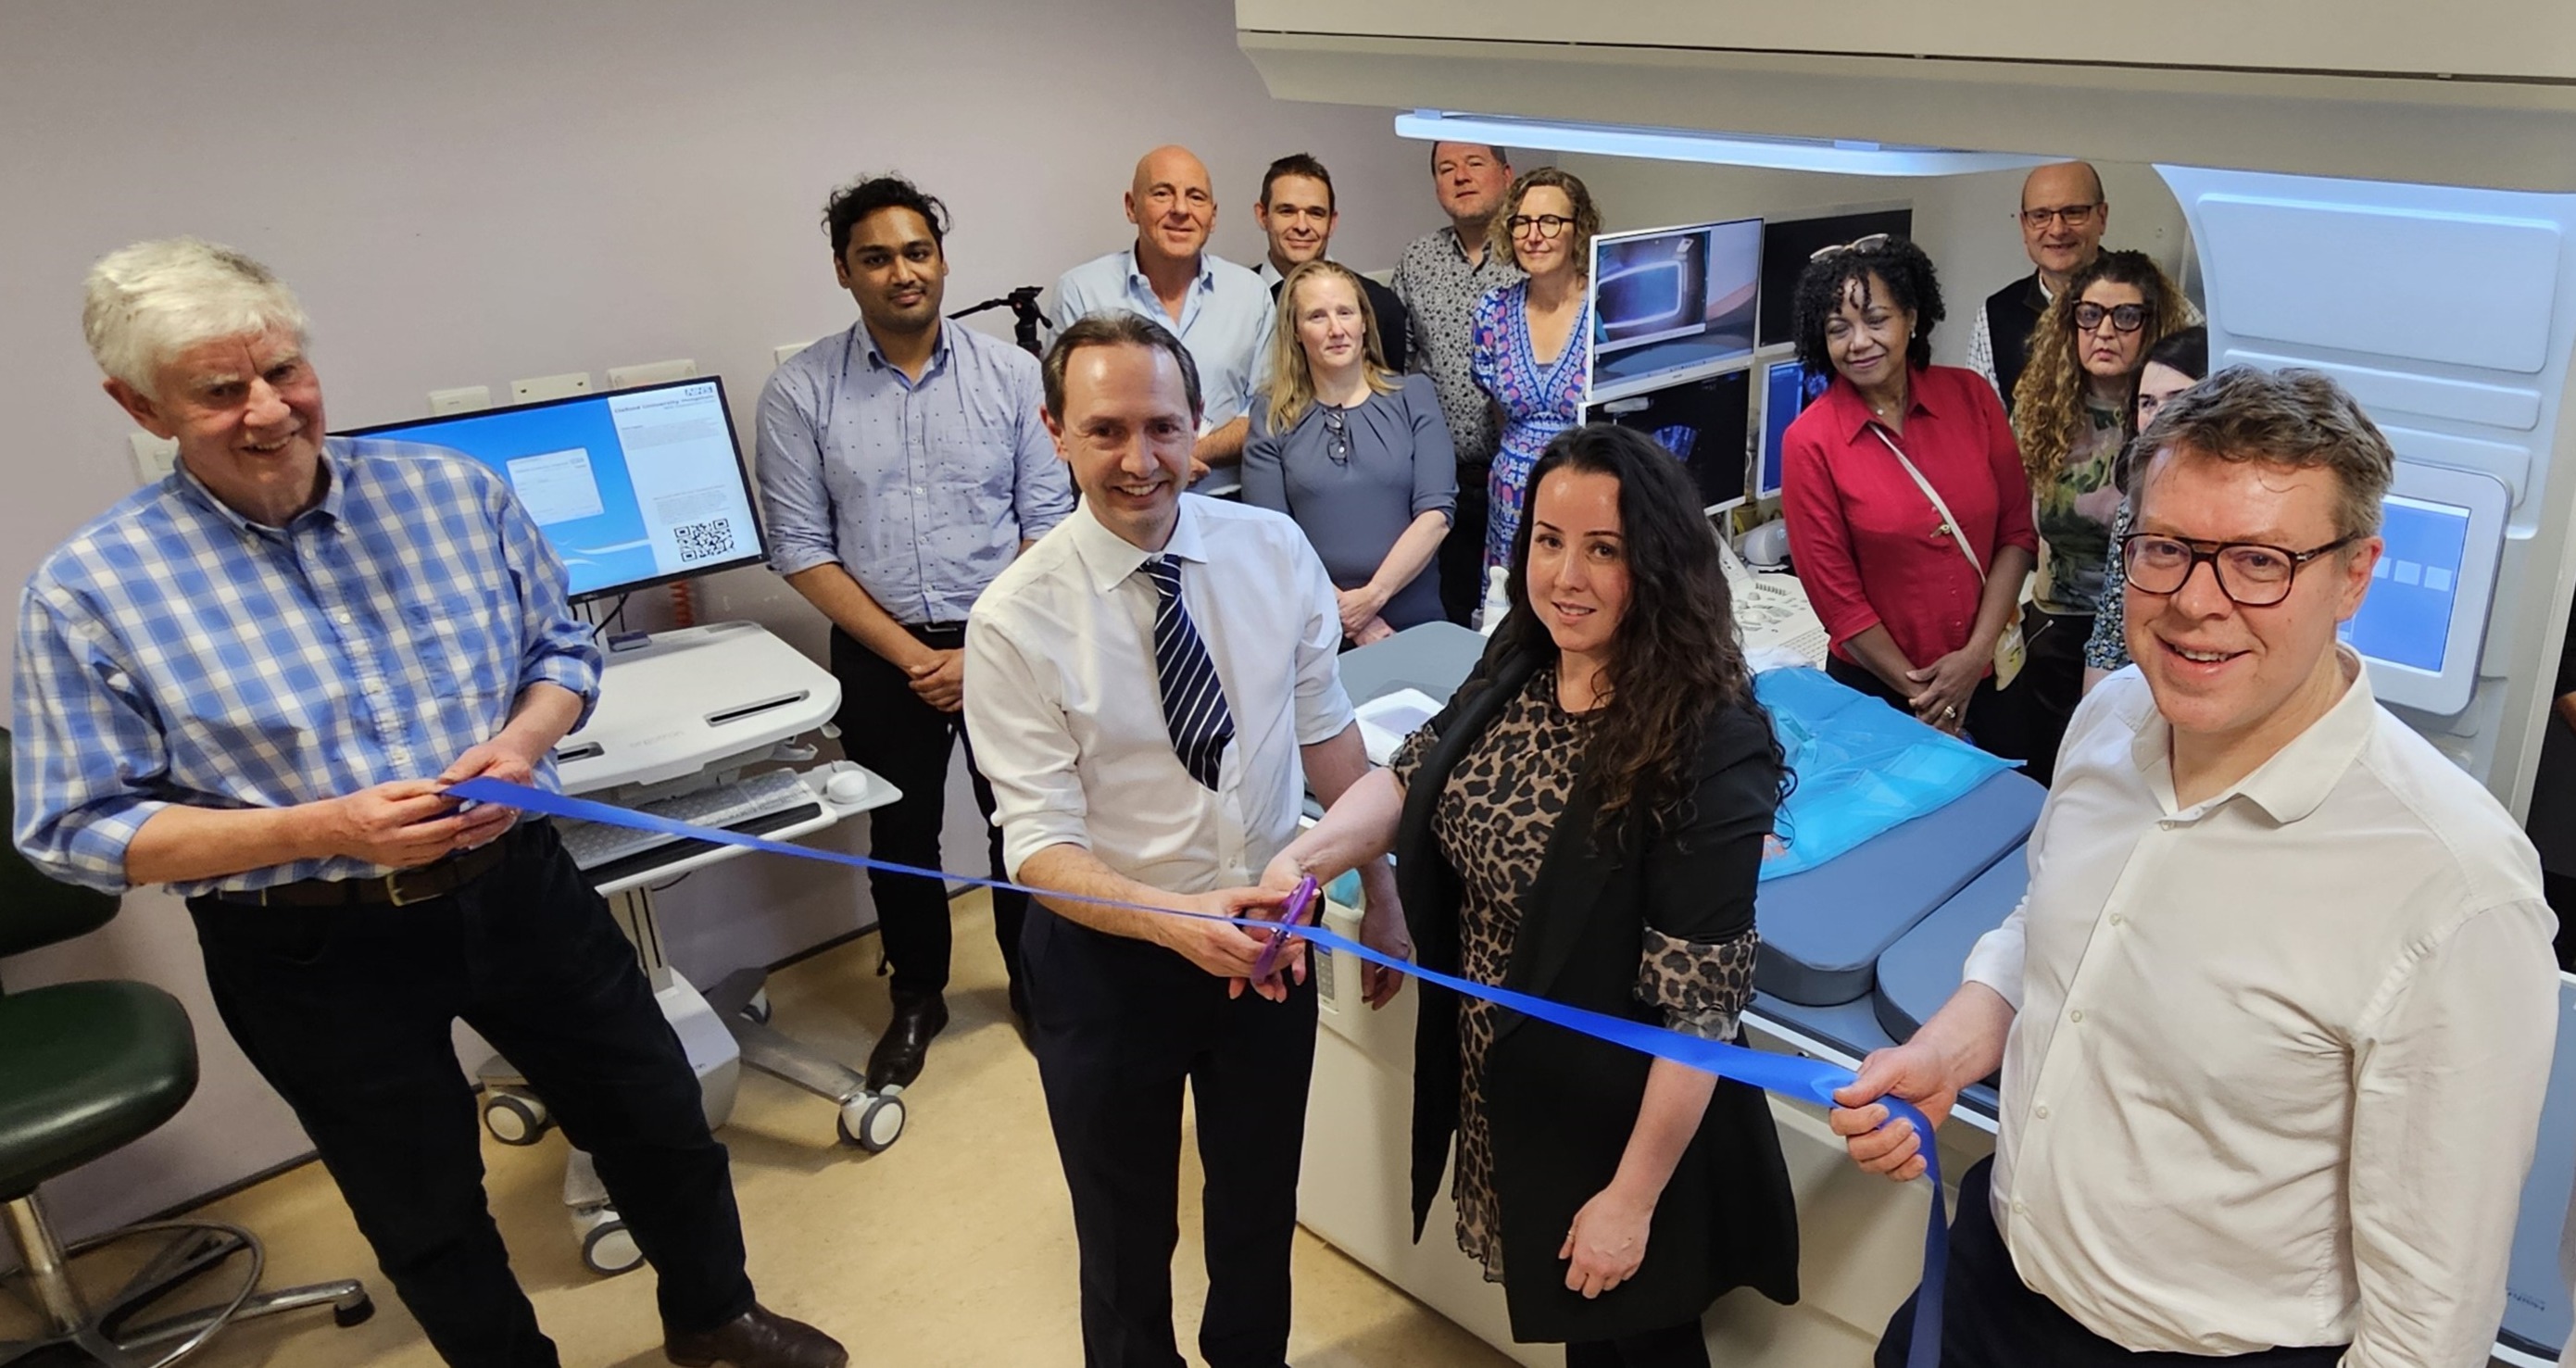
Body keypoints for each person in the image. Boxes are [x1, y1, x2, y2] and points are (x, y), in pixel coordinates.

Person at [13, 239, 843, 1368]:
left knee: (656, 1114)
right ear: (139, 404)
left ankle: (715, 1319)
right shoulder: (90, 591)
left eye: (285, 371)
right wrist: (318, 829)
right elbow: (77, 829)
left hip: (516, 888)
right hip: (307, 946)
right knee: (424, 1203)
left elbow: (559, 647)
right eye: (220, 391)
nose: (269, 410)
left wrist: (524, 738)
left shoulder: (450, 492)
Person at [1829, 366, 2561, 1368]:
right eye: (2166, 549)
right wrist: (1950, 1053)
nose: (2194, 604)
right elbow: (2042, 928)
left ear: (2355, 574)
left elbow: (2428, 1325)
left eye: (2259, 560)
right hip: (1997, 1281)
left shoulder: (2455, 891)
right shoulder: (2112, 718)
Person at [1273, 423, 1800, 1367]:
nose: (1566, 575)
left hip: (1624, 1127)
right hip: (1513, 1087)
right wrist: (1302, 861)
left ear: (1663, 564)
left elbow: (1702, 1009)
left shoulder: (1711, 740)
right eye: (1549, 541)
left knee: (1636, 1345)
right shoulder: (1525, 652)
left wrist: (1630, 1200)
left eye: (1604, 550)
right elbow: (1412, 772)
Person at [962, 312, 1411, 1368]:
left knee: (1259, 1205)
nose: (1138, 459)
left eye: (1162, 427)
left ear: (1197, 424)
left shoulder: (1272, 551)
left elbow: (1326, 733)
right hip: (1108, 958)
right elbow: (1036, 847)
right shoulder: (1015, 622)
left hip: (1267, 940)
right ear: (1055, 433)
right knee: (1125, 1233)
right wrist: (1173, 922)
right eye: (1105, 430)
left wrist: (1377, 891)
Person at [754, 174, 1073, 1088]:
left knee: (1027, 820)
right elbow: (802, 549)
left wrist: (980, 650)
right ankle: (919, 994)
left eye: (918, 251)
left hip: (1005, 639)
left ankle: (1036, 983)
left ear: (941, 258)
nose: (903, 273)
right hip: (880, 646)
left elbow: (1046, 523)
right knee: (901, 835)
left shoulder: (1015, 378)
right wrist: (918, 658)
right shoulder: (801, 392)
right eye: (878, 257)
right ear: (844, 272)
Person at [1778, 235, 2036, 759]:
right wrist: (1930, 696)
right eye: (1838, 329)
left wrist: (1973, 659)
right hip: (1878, 693)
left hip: (1990, 679)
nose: (1859, 342)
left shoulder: (1972, 397)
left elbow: (2016, 533)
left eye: (1877, 320)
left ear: (1912, 318)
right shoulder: (1809, 442)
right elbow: (1839, 605)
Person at [2008, 250, 2192, 784]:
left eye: (2125, 316)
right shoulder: (2042, 409)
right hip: (2057, 626)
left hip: (2149, 631)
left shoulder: (2174, 410)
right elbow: (2014, 523)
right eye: (2089, 315)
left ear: (2152, 322)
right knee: (2055, 777)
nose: (2104, 331)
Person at [1243, 259, 1456, 644]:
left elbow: (1436, 515)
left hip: (1412, 621)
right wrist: (1347, 614)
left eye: (1345, 312)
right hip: (1313, 624)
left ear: (1364, 322)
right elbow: (1272, 535)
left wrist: (1372, 598)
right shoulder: (1270, 414)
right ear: (1294, 330)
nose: (1336, 329)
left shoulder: (1414, 396)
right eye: (1317, 317)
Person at [1053, 145, 1272, 485]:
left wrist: (1190, 457)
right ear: (1131, 206)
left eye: (1196, 197)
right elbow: (1070, 413)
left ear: (1212, 216)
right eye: (1162, 193)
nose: (1181, 209)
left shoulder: (1250, 294)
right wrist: (1155, 461)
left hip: (1226, 503)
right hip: (1121, 499)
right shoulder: (1082, 291)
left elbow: (1268, 409)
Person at [1392, 142, 1523, 625]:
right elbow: (1396, 367)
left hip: (1519, 481)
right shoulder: (1417, 260)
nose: (1460, 177)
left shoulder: (1531, 254)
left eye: (1474, 164)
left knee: (1516, 620)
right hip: (1440, 486)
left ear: (1507, 175)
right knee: (1451, 620)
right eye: (1446, 169)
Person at [1474, 168, 1598, 583]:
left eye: (1549, 221)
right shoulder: (1493, 312)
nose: (1533, 235)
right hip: (1511, 501)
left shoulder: (1606, 308)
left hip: (1588, 494)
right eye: (1522, 222)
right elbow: (1498, 412)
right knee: (1510, 621)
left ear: (1578, 229)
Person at [2080, 325, 2208, 692]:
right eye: (2147, 402)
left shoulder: (2241, 508)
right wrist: (2094, 728)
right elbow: (2109, 634)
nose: (2158, 415)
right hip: (2135, 689)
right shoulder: (2135, 506)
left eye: (2178, 398)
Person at [1250, 152, 1412, 370]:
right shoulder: (1235, 303)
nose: (1302, 226)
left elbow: (1389, 398)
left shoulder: (1379, 306)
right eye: (1287, 211)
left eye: (1315, 213)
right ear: (1263, 216)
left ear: (1332, 222)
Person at [1967, 161, 2110, 408]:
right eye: (2041, 216)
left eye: (2073, 212)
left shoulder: (2153, 298)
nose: (2057, 229)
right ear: (2024, 225)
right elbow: (1983, 426)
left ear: (2102, 218)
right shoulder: (1993, 316)